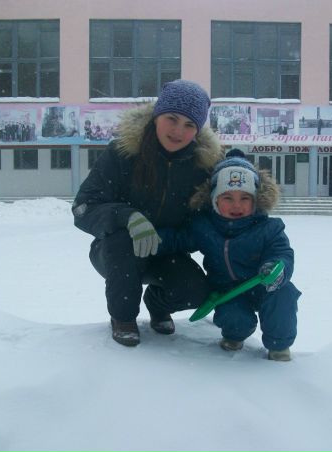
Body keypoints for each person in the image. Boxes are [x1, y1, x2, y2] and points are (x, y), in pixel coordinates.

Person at [72, 79, 223, 347]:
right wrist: (128, 217)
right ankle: (123, 318)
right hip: (116, 251)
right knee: (122, 245)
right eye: (172, 119)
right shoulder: (122, 153)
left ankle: (157, 304)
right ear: (157, 116)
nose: (178, 131)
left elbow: (212, 216)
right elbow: (84, 207)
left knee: (195, 291)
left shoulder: (203, 166)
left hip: (167, 252)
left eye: (189, 125)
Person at [155, 149, 301, 361]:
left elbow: (281, 252)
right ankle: (235, 336)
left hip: (263, 285)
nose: (237, 205)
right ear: (215, 199)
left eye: (245, 198)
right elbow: (178, 239)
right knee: (235, 318)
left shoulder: (269, 228)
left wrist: (277, 267)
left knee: (283, 294)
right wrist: (154, 239)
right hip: (228, 291)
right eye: (228, 197)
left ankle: (279, 346)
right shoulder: (204, 227)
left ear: (256, 200)